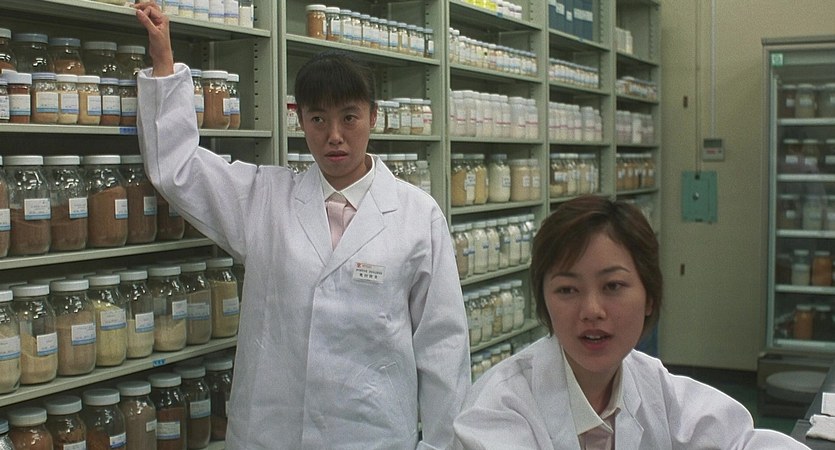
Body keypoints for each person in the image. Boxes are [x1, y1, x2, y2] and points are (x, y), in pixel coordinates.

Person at [133, 3, 470, 448]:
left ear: (373, 116)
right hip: (272, 433)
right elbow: (179, 169)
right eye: (318, 119)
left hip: (372, 436)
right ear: (300, 120)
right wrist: (163, 62)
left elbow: (443, 347)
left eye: (349, 117)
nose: (334, 135)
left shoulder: (417, 215)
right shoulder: (265, 199)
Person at [453, 195, 809, 449]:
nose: (592, 310)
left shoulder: (649, 381)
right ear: (543, 301)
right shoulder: (499, 409)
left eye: (613, 286)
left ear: (649, 295)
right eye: (567, 290)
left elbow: (742, 441)